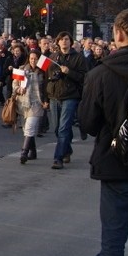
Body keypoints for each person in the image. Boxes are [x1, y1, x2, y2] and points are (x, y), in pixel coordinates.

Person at [79, 8, 128, 256]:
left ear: (117, 34)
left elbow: (86, 123)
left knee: (113, 247)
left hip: (116, 166)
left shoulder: (100, 74)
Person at [47, 31, 87, 169]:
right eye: (61, 40)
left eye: (66, 39)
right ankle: (67, 149)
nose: (64, 42)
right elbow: (47, 76)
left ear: (70, 42)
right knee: (57, 128)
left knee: (64, 128)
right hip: (54, 95)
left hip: (70, 95)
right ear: (57, 42)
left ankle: (58, 158)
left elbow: (84, 77)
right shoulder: (53, 57)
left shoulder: (78, 58)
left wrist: (69, 72)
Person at [14, 49, 48, 164]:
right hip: (23, 103)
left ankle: (24, 153)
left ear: (39, 60)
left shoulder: (44, 71)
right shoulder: (21, 69)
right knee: (27, 129)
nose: (33, 60)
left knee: (29, 127)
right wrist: (19, 89)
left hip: (37, 103)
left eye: (36, 58)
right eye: (31, 58)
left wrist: (46, 100)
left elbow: (47, 87)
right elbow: (14, 85)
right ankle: (33, 152)